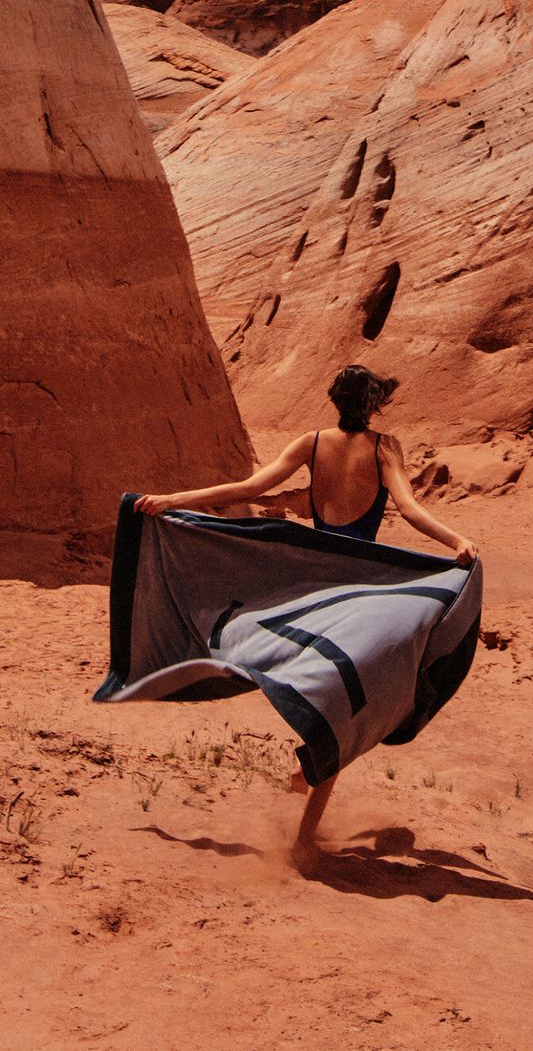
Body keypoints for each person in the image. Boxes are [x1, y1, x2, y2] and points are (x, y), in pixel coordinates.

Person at [135, 363, 477, 868]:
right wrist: (455, 541)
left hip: (312, 581)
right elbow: (406, 507)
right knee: (358, 702)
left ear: (333, 399)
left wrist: (173, 500)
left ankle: (309, 777)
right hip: (358, 590)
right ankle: (306, 810)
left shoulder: (309, 443)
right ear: (374, 403)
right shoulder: (385, 447)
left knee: (339, 700)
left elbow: (247, 489)